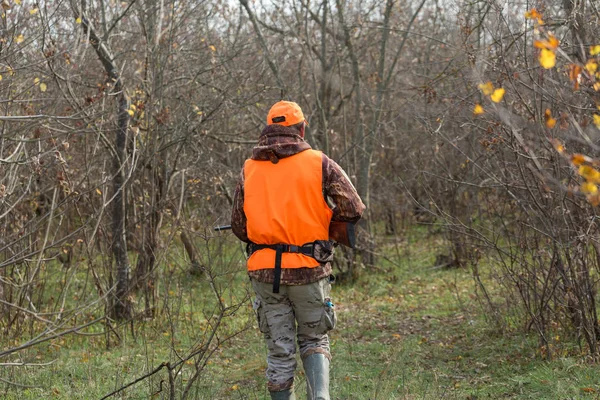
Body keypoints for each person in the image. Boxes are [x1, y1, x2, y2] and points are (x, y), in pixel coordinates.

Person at [231, 101, 365, 399]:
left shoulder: (248, 169)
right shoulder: (319, 162)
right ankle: (320, 397)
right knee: (314, 337)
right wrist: (325, 226)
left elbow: (239, 227)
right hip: (309, 270)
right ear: (301, 128)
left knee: (279, 351)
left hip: (265, 274)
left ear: (269, 130)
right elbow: (353, 207)